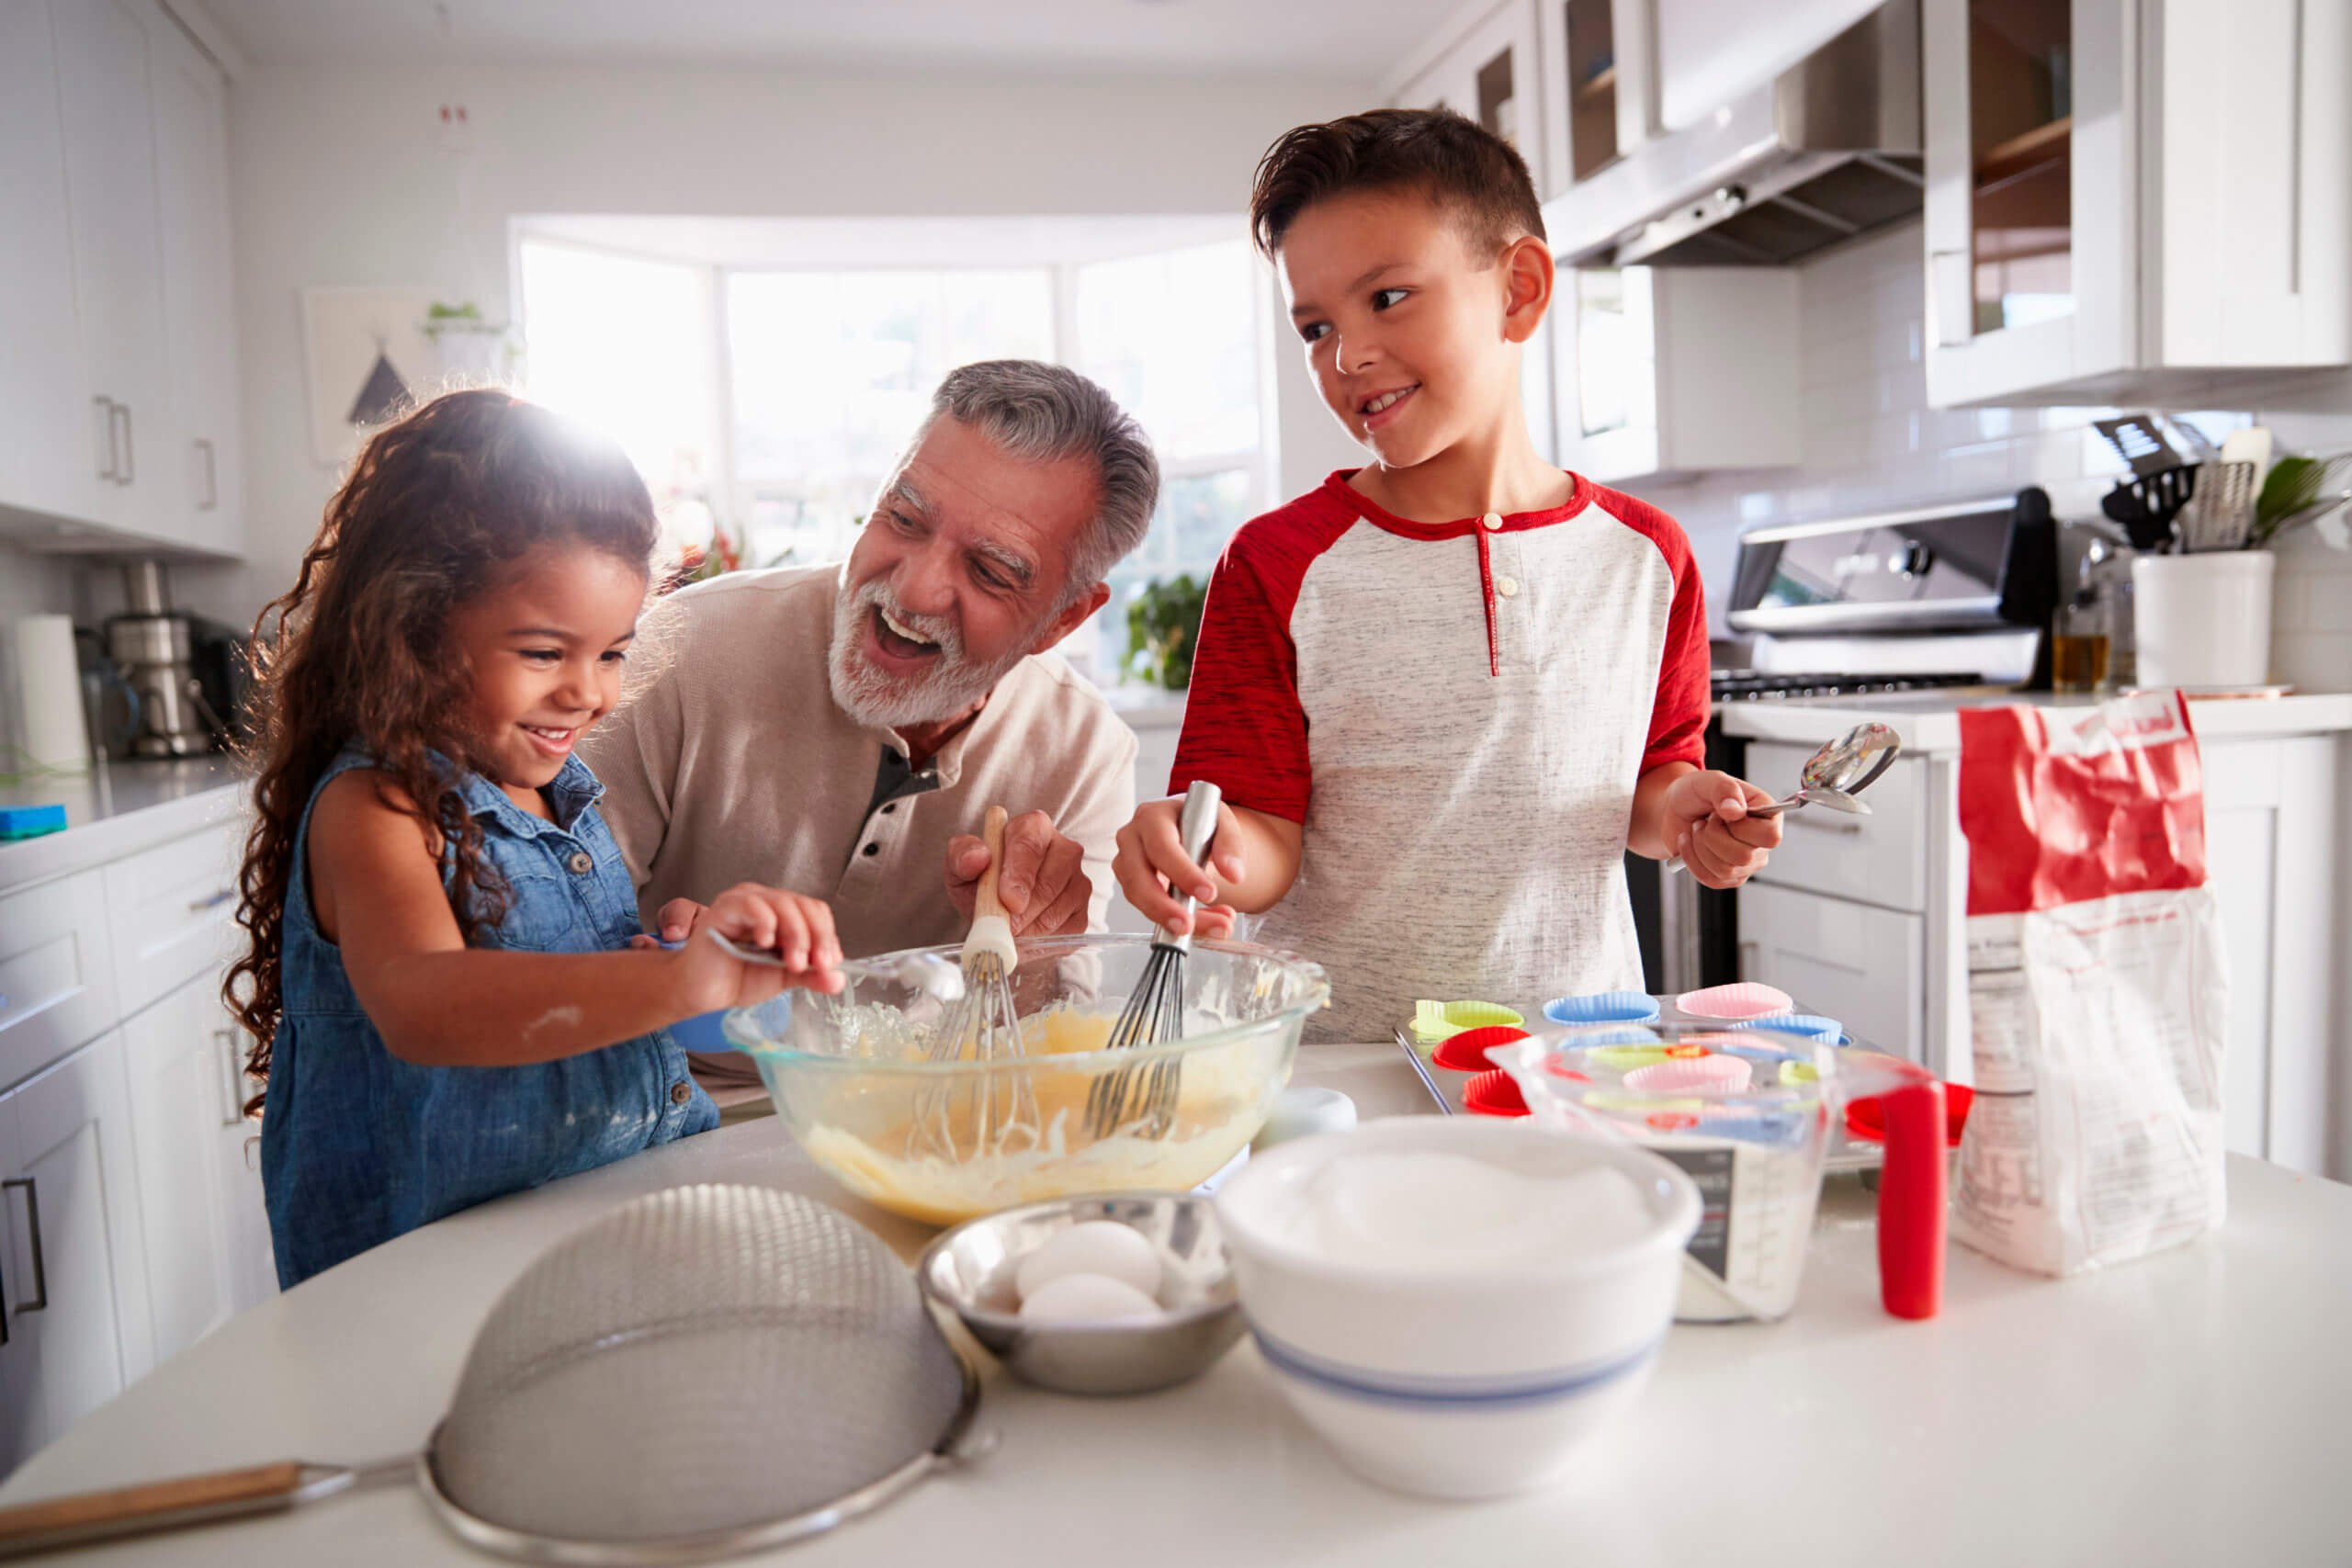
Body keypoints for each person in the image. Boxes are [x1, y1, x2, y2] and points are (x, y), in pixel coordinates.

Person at [1112, 109, 1782, 1042]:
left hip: (1575, 1054)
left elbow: (1649, 781)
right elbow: (1263, 831)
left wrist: (1689, 816)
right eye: (1314, 326)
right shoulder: (1275, 563)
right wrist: (1212, 852)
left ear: (1518, 289)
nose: (1346, 357)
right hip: (1342, 1066)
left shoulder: (1648, 557)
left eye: (1386, 298)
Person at [225, 389, 843, 1286]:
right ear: (414, 634)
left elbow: (567, 987)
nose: (589, 692)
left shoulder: (567, 797)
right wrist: (669, 978)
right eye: (546, 654)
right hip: (424, 1289)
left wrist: (685, 951)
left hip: (600, 1241)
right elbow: (427, 1003)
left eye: (612, 653)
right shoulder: (376, 811)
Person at [584, 360, 1170, 1103]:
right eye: (904, 518)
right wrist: (664, 976)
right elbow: (531, 953)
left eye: (989, 570)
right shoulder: (681, 650)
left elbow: (1043, 1050)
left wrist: (1030, 961)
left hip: (912, 1115)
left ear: (1064, 619)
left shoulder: (1085, 751)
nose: (913, 588)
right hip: (656, 1103)